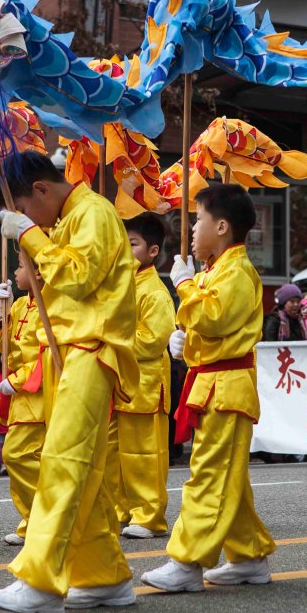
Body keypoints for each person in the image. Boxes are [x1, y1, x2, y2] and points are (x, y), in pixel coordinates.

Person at [0, 151, 139, 613]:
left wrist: (31, 235)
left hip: (93, 350)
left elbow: (80, 275)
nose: (28, 221)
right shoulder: (68, 217)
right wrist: (35, 234)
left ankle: (41, 582)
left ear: (42, 191)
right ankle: (104, 576)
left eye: (27, 210)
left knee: (62, 462)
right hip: (72, 353)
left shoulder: (93, 211)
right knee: (81, 468)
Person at [141, 185, 278, 591]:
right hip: (213, 383)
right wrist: (184, 342)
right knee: (224, 476)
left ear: (221, 226)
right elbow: (208, 325)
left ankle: (187, 561)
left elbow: (214, 316)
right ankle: (249, 556)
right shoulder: (216, 269)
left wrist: (183, 285)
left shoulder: (236, 270)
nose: (192, 229)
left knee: (208, 475)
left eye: (197, 220)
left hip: (227, 386)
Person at [107, 213, 176, 539]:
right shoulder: (117, 286)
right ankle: (124, 510)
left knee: (145, 455)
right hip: (119, 381)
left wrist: (114, 339)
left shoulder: (155, 292)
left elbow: (152, 341)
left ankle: (149, 516)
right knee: (116, 455)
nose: (123, 249)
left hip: (145, 383)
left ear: (152, 251)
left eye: (131, 244)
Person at [0, 252, 46, 545]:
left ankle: (43, 519)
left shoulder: (50, 306)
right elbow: (1, 345)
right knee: (20, 456)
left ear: (39, 273)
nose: (16, 272)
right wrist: (0, 315)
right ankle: (34, 521)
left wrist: (16, 381)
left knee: (18, 454)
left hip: (39, 392)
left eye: (21, 267)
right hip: (20, 393)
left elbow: (48, 356)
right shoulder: (19, 304)